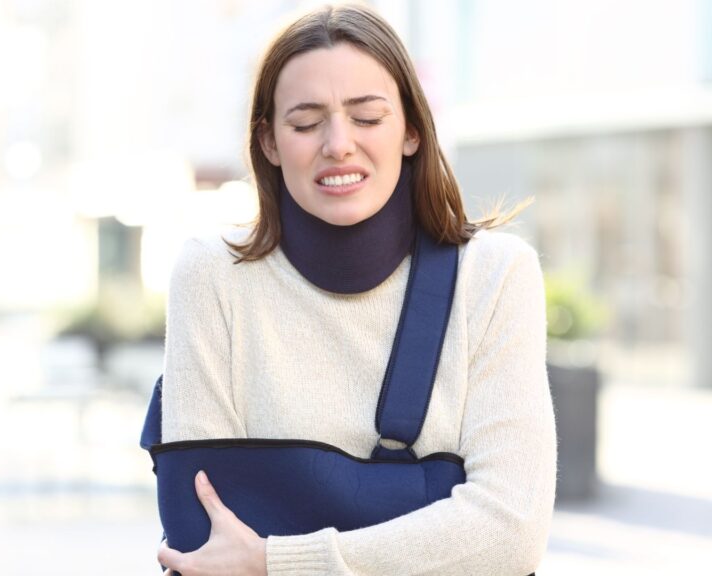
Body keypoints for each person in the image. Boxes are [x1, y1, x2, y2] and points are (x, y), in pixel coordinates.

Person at [155, 3, 556, 576]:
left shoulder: (494, 278)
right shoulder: (212, 276)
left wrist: (273, 560)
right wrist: (430, 529)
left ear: (412, 130)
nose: (338, 144)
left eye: (367, 117)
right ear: (268, 141)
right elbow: (202, 537)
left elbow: (508, 531)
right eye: (304, 122)